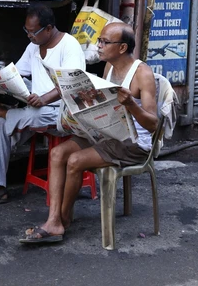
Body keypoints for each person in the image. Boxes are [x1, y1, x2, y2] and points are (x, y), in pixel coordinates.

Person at [19, 22, 157, 244]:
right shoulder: (109, 67)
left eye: (104, 42)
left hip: (133, 144)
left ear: (122, 48)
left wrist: (131, 104)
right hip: (107, 134)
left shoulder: (143, 74)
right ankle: (55, 219)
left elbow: (152, 124)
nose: (98, 46)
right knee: (57, 153)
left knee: (74, 160)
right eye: (99, 41)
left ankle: (60, 222)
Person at [0, 3, 86, 208]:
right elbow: (17, 73)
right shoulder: (34, 47)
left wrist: (45, 98)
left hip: (62, 112)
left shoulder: (69, 45)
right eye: (26, 31)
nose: (29, 36)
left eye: (33, 32)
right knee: (3, 126)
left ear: (48, 29)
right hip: (35, 111)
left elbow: (73, 84)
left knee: (33, 115)